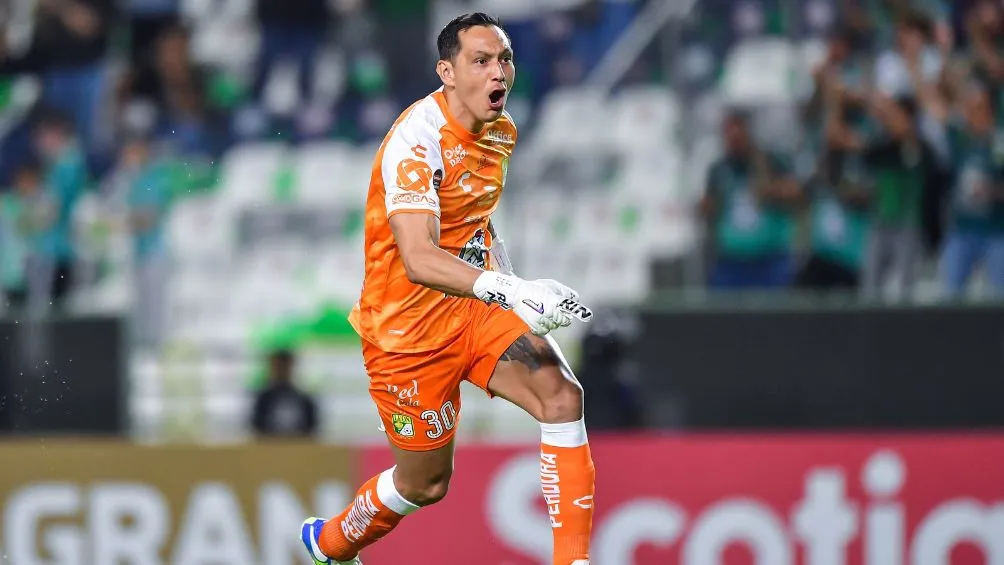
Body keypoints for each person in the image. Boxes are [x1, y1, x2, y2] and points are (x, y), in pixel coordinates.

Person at [299, 13, 595, 565]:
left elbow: (476, 219)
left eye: (504, 59)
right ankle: (331, 542)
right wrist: (512, 292)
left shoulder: (501, 130)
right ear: (447, 72)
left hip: (473, 310)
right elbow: (418, 258)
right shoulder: (416, 140)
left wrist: (517, 287)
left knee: (562, 397)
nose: (498, 72)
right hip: (406, 334)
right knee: (425, 484)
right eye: (480, 61)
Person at [701, 111, 802, 290]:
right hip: (731, 262)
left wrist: (769, 189)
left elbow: (796, 194)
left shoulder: (772, 161)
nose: (734, 139)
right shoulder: (719, 169)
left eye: (738, 132)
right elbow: (709, 204)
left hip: (770, 260)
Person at [251, 349, 318, 437]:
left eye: (283, 366)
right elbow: (257, 430)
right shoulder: (263, 399)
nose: (280, 370)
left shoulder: (304, 399)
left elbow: (311, 431)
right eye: (277, 366)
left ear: (290, 367)